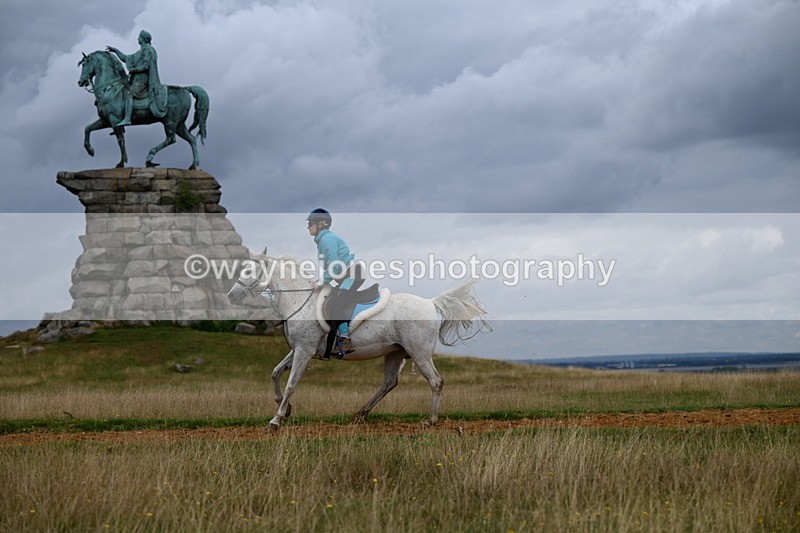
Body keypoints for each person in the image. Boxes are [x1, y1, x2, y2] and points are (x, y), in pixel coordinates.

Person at [307, 208, 363, 354]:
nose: (308, 227)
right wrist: (321, 281)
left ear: (321, 224)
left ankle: (345, 340)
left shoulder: (327, 240)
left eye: (311, 223)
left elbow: (334, 267)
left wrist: (320, 283)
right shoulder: (323, 241)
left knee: (336, 303)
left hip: (353, 275)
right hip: (346, 275)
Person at [106, 30, 167, 127]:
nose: (137, 38)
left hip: (144, 81)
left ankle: (127, 119)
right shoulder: (139, 53)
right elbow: (126, 58)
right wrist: (116, 51)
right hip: (136, 80)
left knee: (129, 93)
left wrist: (134, 70)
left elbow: (146, 66)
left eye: (139, 37)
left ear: (143, 39)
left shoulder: (148, 50)